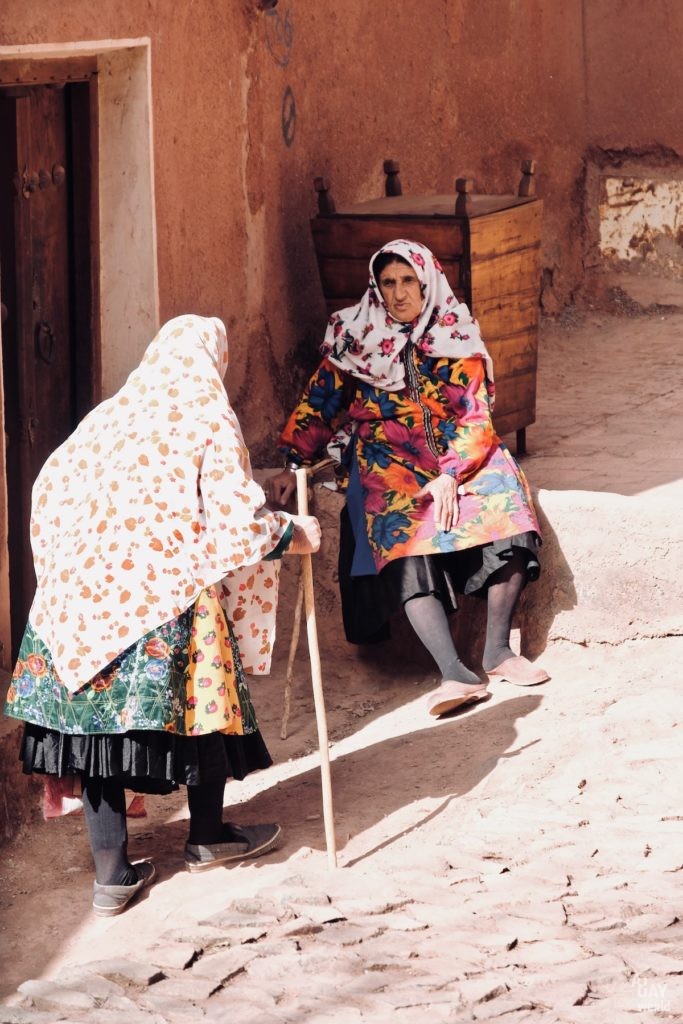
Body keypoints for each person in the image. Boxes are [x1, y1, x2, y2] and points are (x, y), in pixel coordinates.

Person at [4, 314, 320, 916]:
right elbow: (236, 522)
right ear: (212, 360)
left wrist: (68, 580)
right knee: (205, 704)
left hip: (75, 602)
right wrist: (291, 533)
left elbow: (46, 497)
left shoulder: (105, 418)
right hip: (159, 590)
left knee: (93, 731)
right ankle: (208, 836)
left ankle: (112, 874)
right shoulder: (206, 412)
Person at [266, 239, 548, 718]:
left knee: (509, 507)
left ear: (427, 282)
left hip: (461, 452)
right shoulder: (356, 335)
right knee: (400, 533)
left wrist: (451, 475)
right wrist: (294, 460)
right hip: (386, 452)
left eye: (407, 282)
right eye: (388, 283)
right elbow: (322, 402)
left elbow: (475, 416)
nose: (397, 294)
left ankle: (497, 651)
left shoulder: (456, 333)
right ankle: (453, 672)